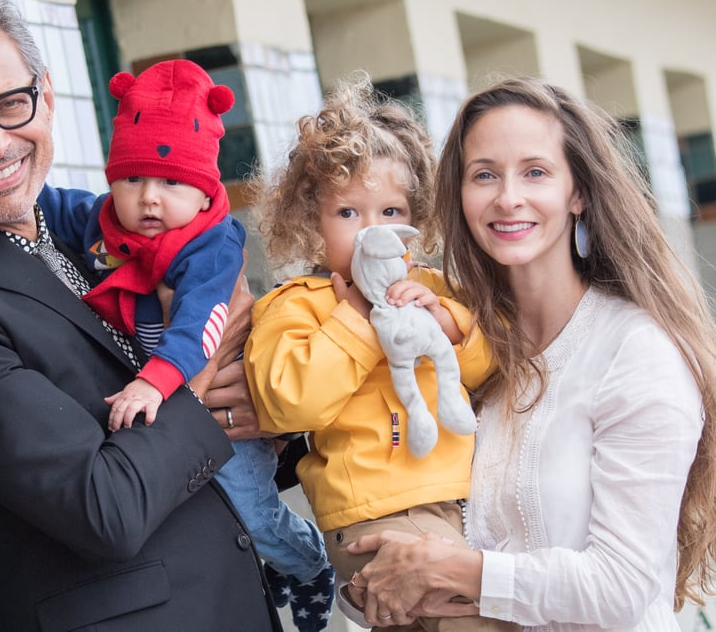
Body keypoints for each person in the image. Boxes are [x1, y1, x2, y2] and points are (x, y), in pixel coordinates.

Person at [0, 0, 282, 631]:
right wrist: (199, 378)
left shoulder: (85, 227)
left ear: (46, 96)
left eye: (10, 104)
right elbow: (103, 507)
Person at [343, 77, 716, 630]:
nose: (507, 197)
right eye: (484, 174)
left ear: (578, 192)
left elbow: (620, 586)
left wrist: (451, 569)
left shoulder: (634, 352)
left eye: (535, 172)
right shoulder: (459, 345)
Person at [39, 58, 335, 631]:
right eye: (132, 179)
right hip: (180, 409)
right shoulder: (108, 223)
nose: (149, 198)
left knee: (252, 509)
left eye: (171, 182)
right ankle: (271, 560)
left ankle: (306, 562)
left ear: (204, 193)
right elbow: (46, 206)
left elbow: (199, 325)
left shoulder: (212, 245)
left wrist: (154, 380)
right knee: (217, 518)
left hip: (216, 400)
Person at [244, 72, 514, 631]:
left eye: (391, 213)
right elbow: (287, 404)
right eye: (349, 214)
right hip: (380, 509)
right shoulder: (296, 304)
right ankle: (362, 582)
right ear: (309, 223)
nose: (373, 232)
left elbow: (488, 366)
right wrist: (359, 322)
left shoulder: (436, 290)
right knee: (480, 621)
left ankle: (364, 594)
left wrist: (446, 322)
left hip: (458, 503)